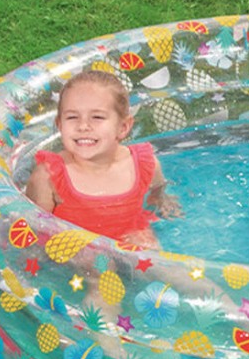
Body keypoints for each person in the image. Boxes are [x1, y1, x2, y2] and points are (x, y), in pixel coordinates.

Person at [26, 70, 181, 249]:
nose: (83, 126)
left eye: (97, 117)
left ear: (123, 127)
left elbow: (157, 192)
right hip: (75, 251)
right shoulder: (49, 176)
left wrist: (162, 200)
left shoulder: (145, 165)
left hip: (131, 240)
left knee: (154, 253)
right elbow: (36, 231)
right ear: (60, 125)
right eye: (72, 117)